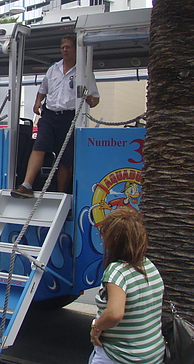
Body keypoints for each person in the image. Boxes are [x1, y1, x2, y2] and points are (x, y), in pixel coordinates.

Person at [11, 36, 100, 198]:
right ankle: (26, 185)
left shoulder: (84, 71)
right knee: (39, 146)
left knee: (65, 157)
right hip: (50, 114)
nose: (65, 50)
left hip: (70, 117)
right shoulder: (54, 68)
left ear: (76, 49)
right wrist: (38, 101)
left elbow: (95, 99)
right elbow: (43, 88)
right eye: (62, 47)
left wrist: (89, 100)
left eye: (68, 47)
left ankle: (61, 194)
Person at [89, 206, 165, 364]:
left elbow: (114, 314)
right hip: (153, 354)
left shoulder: (117, 272)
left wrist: (96, 328)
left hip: (120, 356)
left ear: (113, 240)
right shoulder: (148, 266)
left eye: (103, 234)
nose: (102, 239)